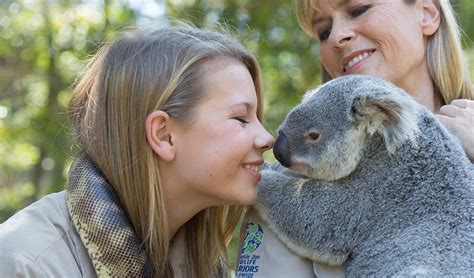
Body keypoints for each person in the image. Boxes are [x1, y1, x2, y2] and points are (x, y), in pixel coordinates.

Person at [0, 26, 274, 277]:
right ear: (163, 135)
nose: (267, 138)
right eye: (241, 118)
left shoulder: (199, 257)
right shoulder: (27, 263)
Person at [236, 0, 474, 277]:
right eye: (323, 31)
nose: (337, 37)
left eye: (359, 9)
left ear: (427, 13)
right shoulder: (290, 179)